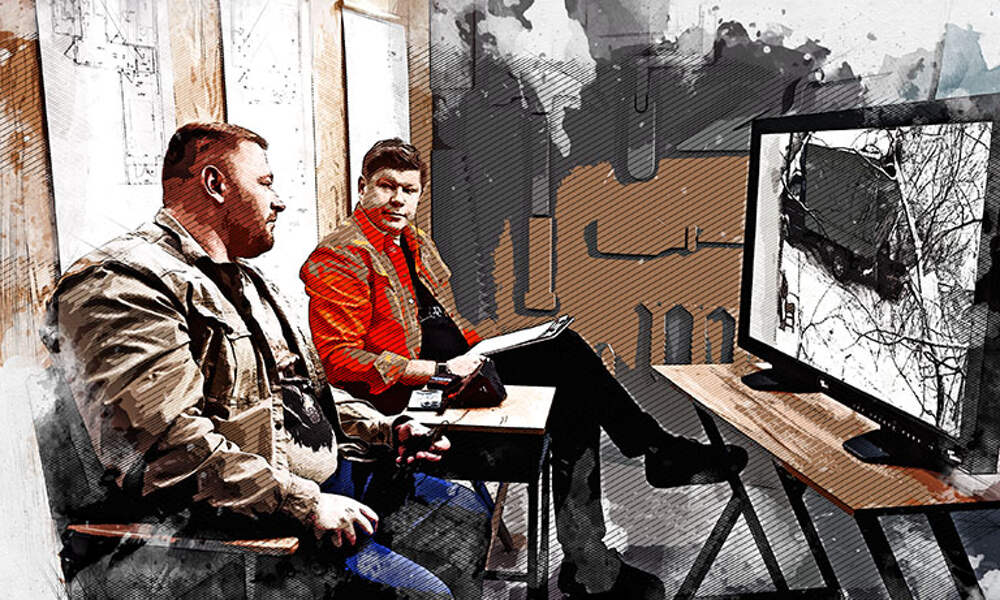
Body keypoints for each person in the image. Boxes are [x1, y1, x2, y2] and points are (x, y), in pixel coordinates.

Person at [43, 123, 491, 600]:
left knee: (465, 516)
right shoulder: (123, 284)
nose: (279, 202)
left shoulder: (247, 282)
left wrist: (386, 429)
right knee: (424, 593)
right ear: (215, 184)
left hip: (326, 482)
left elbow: (303, 394)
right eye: (265, 183)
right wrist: (304, 503)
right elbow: (169, 451)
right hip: (250, 522)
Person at [300, 138, 750, 599]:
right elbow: (340, 360)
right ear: (362, 187)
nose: (398, 199)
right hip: (413, 404)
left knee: (569, 378)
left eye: (409, 190)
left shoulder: (412, 241)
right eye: (386, 186)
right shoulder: (341, 255)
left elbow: (444, 322)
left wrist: (485, 349)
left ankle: (599, 546)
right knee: (569, 371)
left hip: (459, 375)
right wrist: (437, 369)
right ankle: (620, 511)